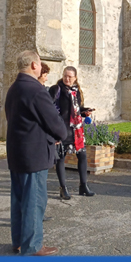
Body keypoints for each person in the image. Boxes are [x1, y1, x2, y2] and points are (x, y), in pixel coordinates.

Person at [4, 49, 69, 257]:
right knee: (34, 201)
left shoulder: (14, 88)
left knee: (19, 200)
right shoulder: (36, 90)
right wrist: (61, 133)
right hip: (35, 153)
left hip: (17, 151)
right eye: (40, 64)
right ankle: (32, 246)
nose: (41, 67)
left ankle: (19, 242)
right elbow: (55, 123)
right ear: (33, 65)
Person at [49, 66, 95, 200]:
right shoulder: (57, 89)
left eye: (70, 76)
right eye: (65, 76)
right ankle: (63, 189)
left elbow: (76, 109)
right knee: (61, 159)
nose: (67, 79)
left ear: (75, 78)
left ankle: (83, 186)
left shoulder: (76, 91)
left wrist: (84, 111)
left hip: (76, 130)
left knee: (82, 156)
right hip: (62, 129)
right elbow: (50, 108)